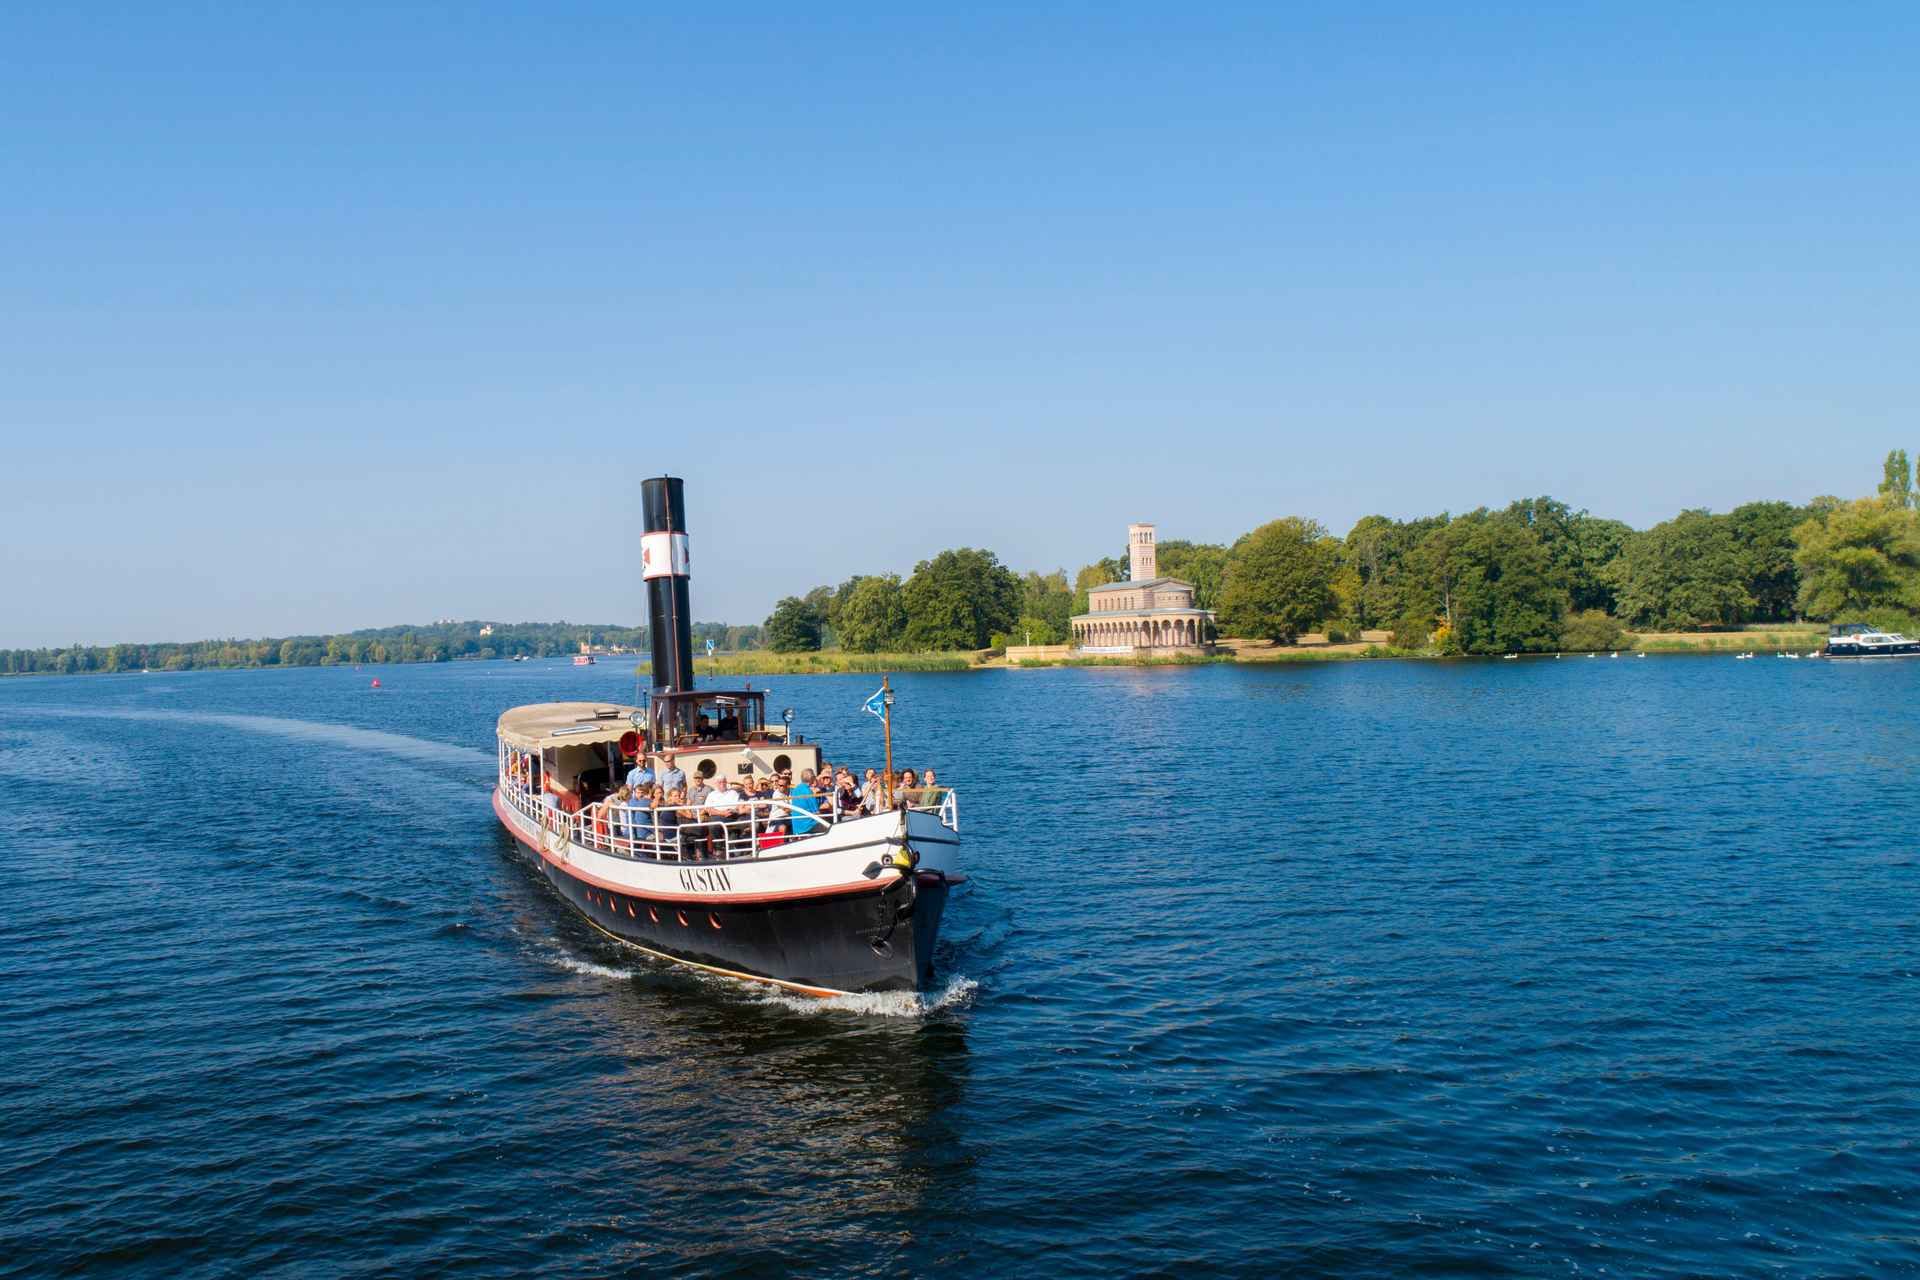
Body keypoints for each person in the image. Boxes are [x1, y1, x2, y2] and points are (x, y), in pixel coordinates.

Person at [703, 777, 745, 858]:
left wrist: (733, 810)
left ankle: (732, 850)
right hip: (717, 816)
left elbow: (739, 805)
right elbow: (707, 808)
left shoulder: (733, 792)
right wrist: (721, 813)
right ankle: (719, 848)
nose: (722, 783)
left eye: (724, 781)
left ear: (726, 782)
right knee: (713, 824)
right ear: (716, 784)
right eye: (719, 782)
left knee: (738, 824)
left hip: (731, 815)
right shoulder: (712, 794)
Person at [790, 769, 821, 836]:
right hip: (808, 826)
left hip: (796, 827)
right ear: (812, 778)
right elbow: (817, 812)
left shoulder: (795, 790)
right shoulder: (808, 791)